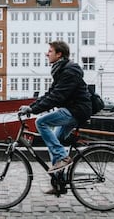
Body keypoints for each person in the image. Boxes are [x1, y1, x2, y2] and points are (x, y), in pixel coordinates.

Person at [19, 41, 92, 192]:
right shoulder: (61, 69)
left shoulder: (69, 71)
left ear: (59, 54)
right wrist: (31, 107)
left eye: (50, 51)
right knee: (55, 140)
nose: (47, 54)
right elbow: (50, 94)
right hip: (72, 109)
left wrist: (34, 111)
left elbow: (57, 97)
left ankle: (63, 158)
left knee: (41, 122)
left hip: (77, 110)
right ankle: (59, 182)